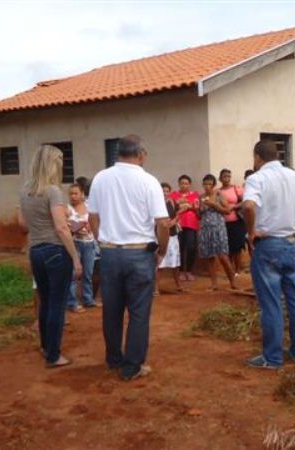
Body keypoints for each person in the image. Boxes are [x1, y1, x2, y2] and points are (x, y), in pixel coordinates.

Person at [87, 134, 169, 381]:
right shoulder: (148, 181)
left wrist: (103, 242)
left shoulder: (101, 178)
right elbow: (163, 223)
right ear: (141, 154)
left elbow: (93, 217)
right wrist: (162, 251)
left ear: (117, 153)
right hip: (139, 253)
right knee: (139, 311)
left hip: (110, 252)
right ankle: (132, 366)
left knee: (111, 309)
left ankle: (114, 359)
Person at [242, 140, 295, 369]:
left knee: (271, 303)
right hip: (291, 244)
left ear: (257, 157)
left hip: (268, 245)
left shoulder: (256, 178)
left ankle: (272, 358)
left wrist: (251, 233)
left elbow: (248, 206)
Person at [17, 144, 82, 368]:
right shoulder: (53, 191)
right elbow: (62, 228)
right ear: (53, 165)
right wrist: (75, 257)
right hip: (55, 250)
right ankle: (54, 355)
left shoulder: (25, 190)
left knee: (45, 301)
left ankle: (46, 346)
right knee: (57, 303)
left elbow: (22, 224)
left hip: (35, 251)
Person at [198, 174, 239, 291]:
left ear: (214, 185)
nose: (207, 186)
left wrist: (214, 205)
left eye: (210, 184)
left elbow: (227, 211)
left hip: (218, 227)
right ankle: (214, 284)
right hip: (205, 229)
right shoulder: (201, 197)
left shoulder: (218, 194)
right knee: (209, 257)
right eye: (205, 184)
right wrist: (195, 209)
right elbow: (199, 215)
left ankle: (233, 281)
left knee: (222, 256)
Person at [66, 182, 98, 312]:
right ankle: (72, 302)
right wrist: (75, 228)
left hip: (89, 243)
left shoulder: (89, 206)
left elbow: (96, 220)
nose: (73, 196)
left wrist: (92, 226)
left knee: (88, 273)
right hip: (75, 243)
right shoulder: (67, 209)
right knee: (73, 274)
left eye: (76, 193)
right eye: (71, 194)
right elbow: (66, 227)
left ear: (82, 194)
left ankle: (88, 299)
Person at [156, 182, 184, 295]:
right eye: (163, 190)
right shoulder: (156, 204)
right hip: (159, 236)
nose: (165, 193)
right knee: (159, 263)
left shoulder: (172, 202)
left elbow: (177, 214)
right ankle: (155, 287)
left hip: (172, 235)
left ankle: (178, 285)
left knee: (175, 262)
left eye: (167, 191)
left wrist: (174, 221)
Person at [170, 175, 199, 281]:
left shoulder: (195, 194)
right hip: (178, 225)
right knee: (180, 247)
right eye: (182, 183)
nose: (184, 185)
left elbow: (197, 208)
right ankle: (181, 271)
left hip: (191, 224)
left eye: (186, 183)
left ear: (190, 184)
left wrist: (188, 206)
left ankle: (189, 271)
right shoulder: (174, 195)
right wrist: (180, 205)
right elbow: (171, 209)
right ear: (179, 184)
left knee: (191, 247)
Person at [219, 169, 246, 274]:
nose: (226, 179)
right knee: (227, 247)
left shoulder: (236, 188)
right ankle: (229, 270)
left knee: (237, 246)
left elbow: (244, 201)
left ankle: (237, 269)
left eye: (228, 176)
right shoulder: (218, 191)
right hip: (223, 222)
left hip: (236, 221)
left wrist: (233, 207)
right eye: (224, 176)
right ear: (220, 178)